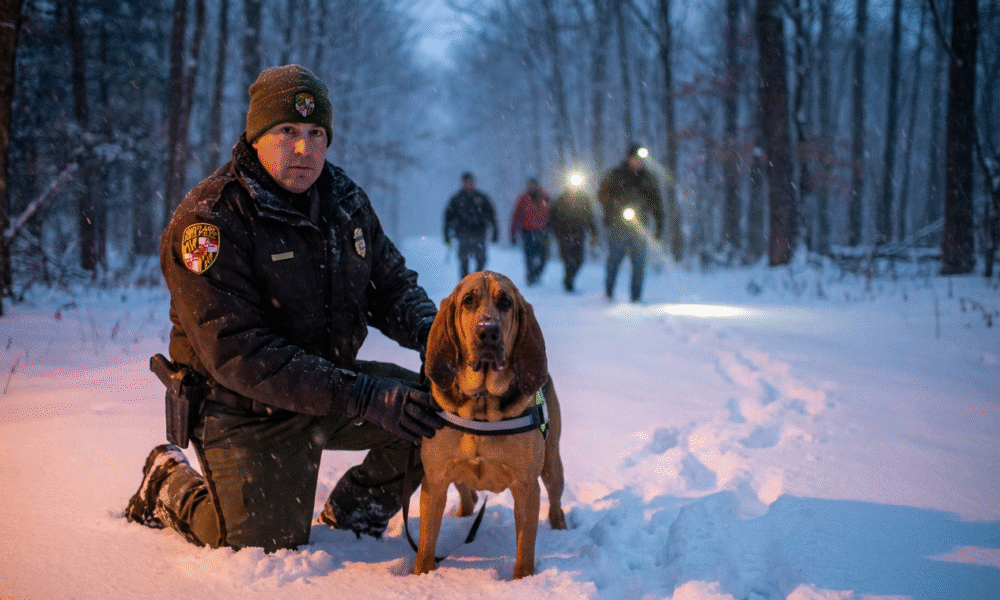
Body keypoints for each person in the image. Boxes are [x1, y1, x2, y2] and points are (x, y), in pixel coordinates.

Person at [125, 64, 444, 552]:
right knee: (262, 542)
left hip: (327, 388)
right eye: (288, 131)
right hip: (243, 408)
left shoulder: (345, 200)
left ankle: (352, 521)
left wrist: (436, 335)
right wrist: (363, 396)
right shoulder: (209, 221)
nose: (304, 148)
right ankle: (168, 480)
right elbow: (239, 353)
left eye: (317, 133)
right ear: (256, 137)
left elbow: (390, 285)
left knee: (431, 415)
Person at [597, 144, 664, 303]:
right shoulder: (615, 175)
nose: (636, 162)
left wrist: (659, 223)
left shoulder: (648, 178)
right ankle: (608, 291)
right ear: (628, 158)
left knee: (639, 264)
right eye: (634, 158)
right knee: (614, 261)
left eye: (639, 159)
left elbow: (656, 202)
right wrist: (613, 206)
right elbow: (601, 194)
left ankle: (636, 297)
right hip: (617, 226)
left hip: (640, 227)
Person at [442, 172, 499, 279]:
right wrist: (446, 235)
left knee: (481, 259)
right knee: (464, 261)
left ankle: (476, 281)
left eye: (470, 182)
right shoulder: (457, 199)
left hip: (479, 233)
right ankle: (466, 284)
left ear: (473, 183)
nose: (468, 184)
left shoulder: (481, 198)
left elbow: (492, 215)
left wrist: (495, 231)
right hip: (463, 233)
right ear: (462, 183)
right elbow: (448, 218)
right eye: (466, 182)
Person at [549, 172, 599, 293]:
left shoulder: (584, 199)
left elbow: (589, 216)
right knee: (567, 259)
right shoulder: (560, 199)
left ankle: (569, 279)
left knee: (579, 260)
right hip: (563, 234)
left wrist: (593, 233)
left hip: (579, 233)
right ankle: (568, 281)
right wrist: (552, 231)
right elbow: (552, 217)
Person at [509, 176, 551, 286]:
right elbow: (516, 216)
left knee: (544, 256)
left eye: (534, 184)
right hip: (527, 232)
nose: (532, 187)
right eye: (530, 185)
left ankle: (537, 273)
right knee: (529, 256)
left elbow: (551, 214)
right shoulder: (523, 198)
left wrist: (551, 228)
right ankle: (530, 276)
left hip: (542, 232)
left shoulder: (545, 197)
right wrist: (513, 232)